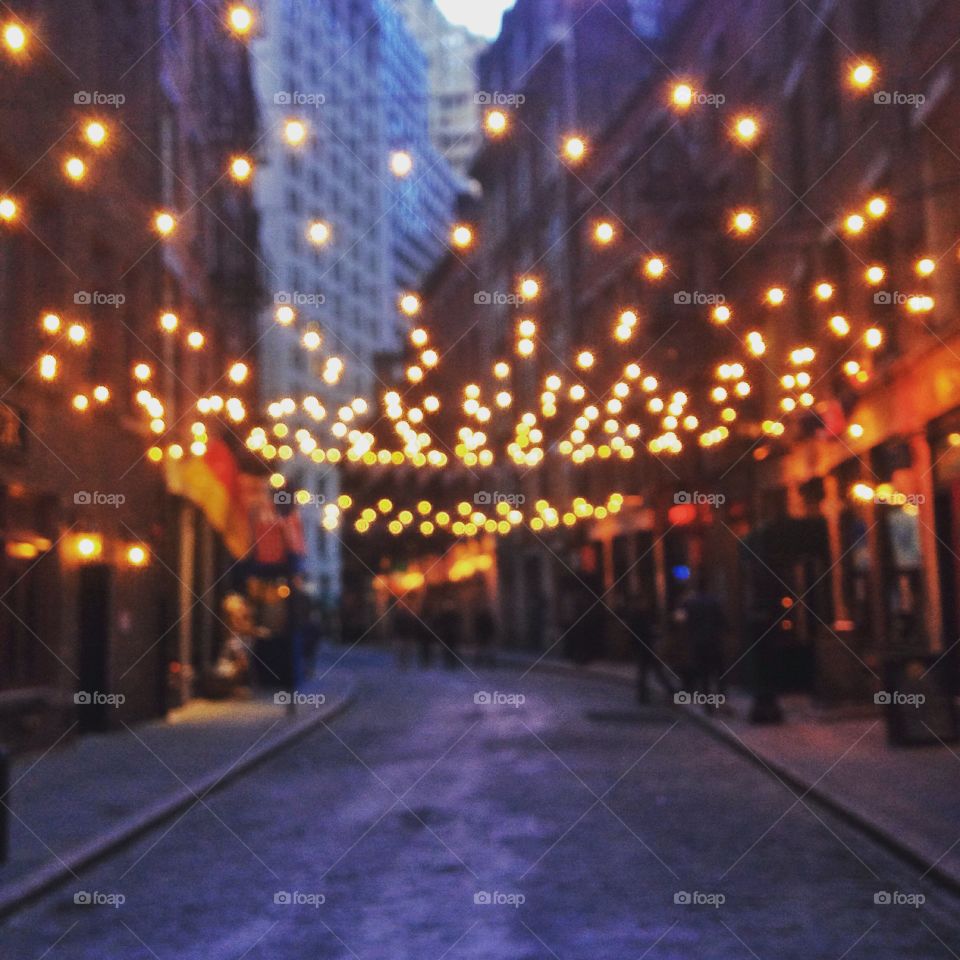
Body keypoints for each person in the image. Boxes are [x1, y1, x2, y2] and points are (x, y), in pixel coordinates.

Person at [681, 578, 727, 707]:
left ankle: (707, 701)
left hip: (697, 642)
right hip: (714, 641)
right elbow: (722, 620)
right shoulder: (714, 602)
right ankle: (720, 697)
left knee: (703, 672)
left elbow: (684, 621)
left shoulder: (690, 603)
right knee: (719, 670)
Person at [626, 598, 676, 704]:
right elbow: (642, 633)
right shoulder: (639, 617)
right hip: (645, 647)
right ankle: (668, 690)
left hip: (645, 647)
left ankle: (645, 695)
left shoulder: (639, 616)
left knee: (651, 671)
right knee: (651, 671)